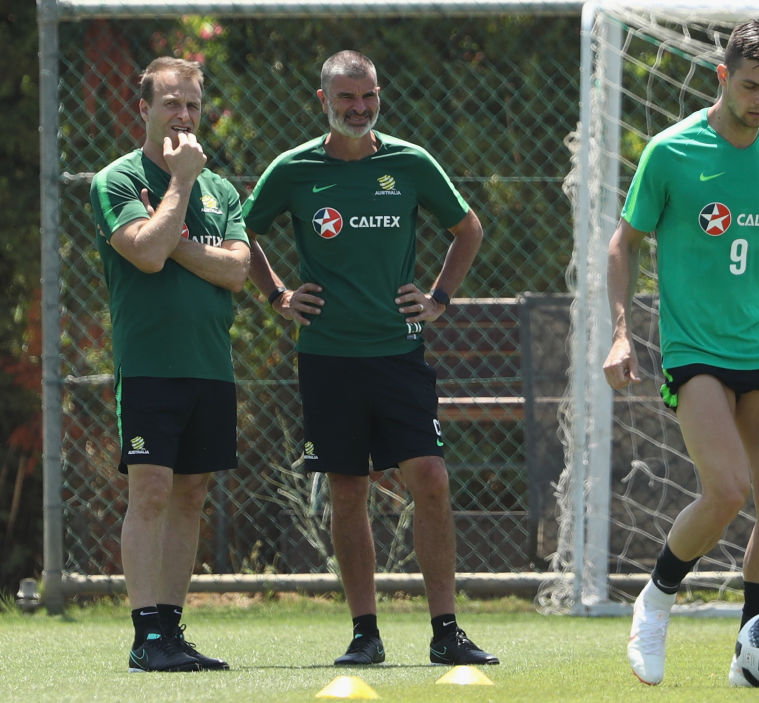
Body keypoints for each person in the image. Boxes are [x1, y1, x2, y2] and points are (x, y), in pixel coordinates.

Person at [243, 50, 498, 667]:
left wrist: (438, 297)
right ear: (322, 102)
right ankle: (365, 633)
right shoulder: (294, 169)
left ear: (379, 96)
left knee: (431, 480)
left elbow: (468, 228)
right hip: (328, 359)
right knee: (348, 488)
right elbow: (242, 232)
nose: (358, 109)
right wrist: (277, 295)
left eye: (369, 97)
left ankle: (446, 631)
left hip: (399, 356)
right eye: (345, 99)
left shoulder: (409, 163)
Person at [601, 20, 759, 688]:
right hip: (694, 346)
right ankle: (655, 600)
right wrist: (621, 328)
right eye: (751, 85)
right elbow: (625, 243)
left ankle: (752, 657)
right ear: (722, 77)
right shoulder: (672, 152)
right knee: (727, 489)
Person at [90, 57, 250, 672]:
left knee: (191, 495)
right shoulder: (118, 180)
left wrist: (177, 238)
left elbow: (237, 270)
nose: (183, 117)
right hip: (150, 365)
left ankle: (172, 630)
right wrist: (181, 186)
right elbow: (148, 256)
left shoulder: (224, 190)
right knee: (150, 491)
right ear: (144, 111)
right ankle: (145, 637)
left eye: (191, 106)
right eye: (171, 105)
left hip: (210, 365)